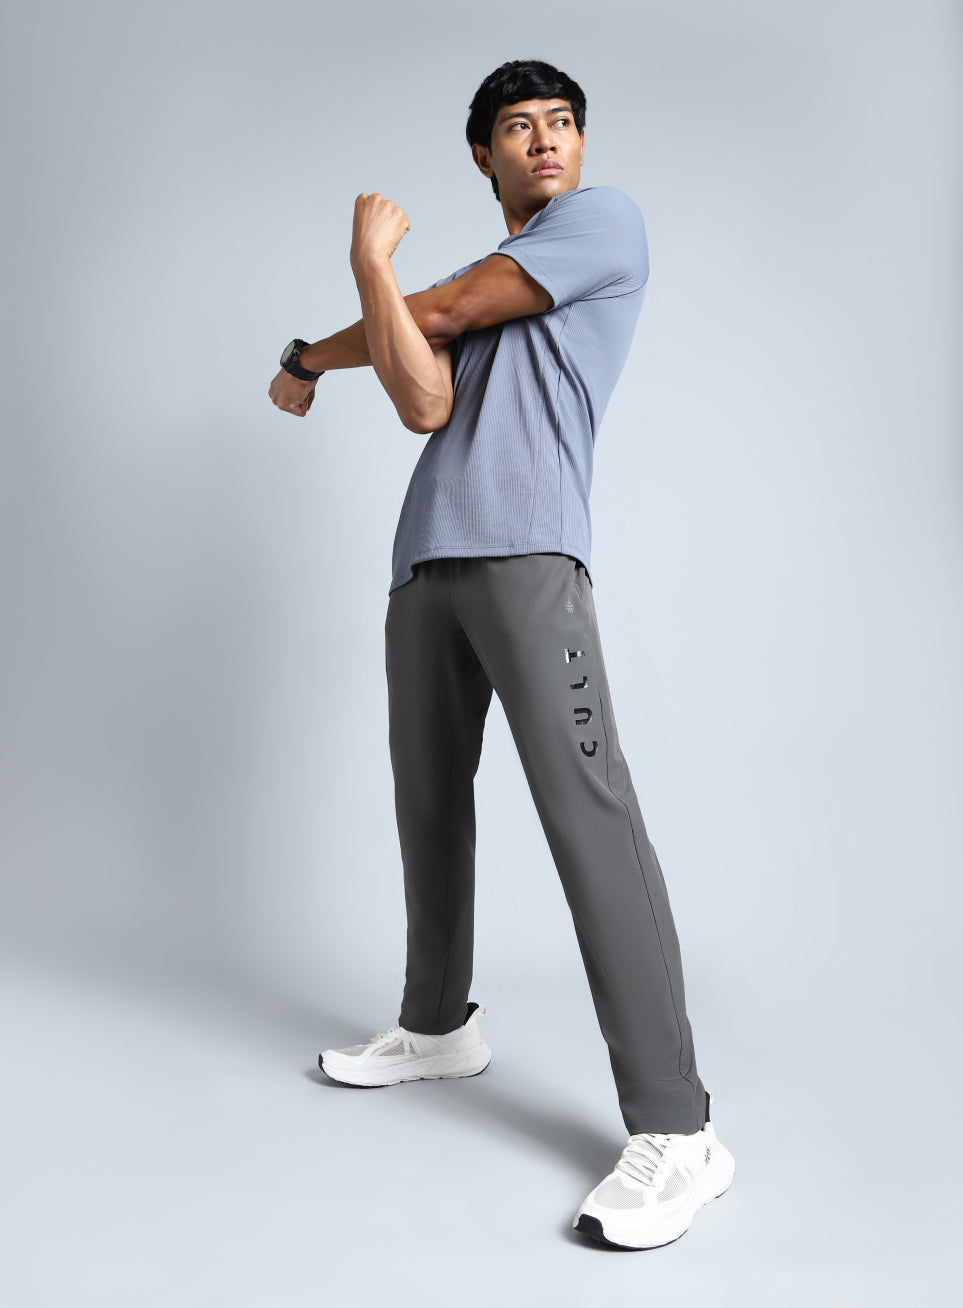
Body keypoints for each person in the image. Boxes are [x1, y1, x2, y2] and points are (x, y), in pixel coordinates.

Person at [268, 59, 734, 1250]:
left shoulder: (602, 225)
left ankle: (680, 1129)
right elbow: (424, 399)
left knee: (588, 816)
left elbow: (432, 316)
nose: (546, 140)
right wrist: (352, 327)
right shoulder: (472, 290)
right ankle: (436, 1027)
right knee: (428, 802)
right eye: (519, 127)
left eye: (562, 122)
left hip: (530, 554)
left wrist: (360, 285)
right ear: (483, 155)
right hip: (426, 559)